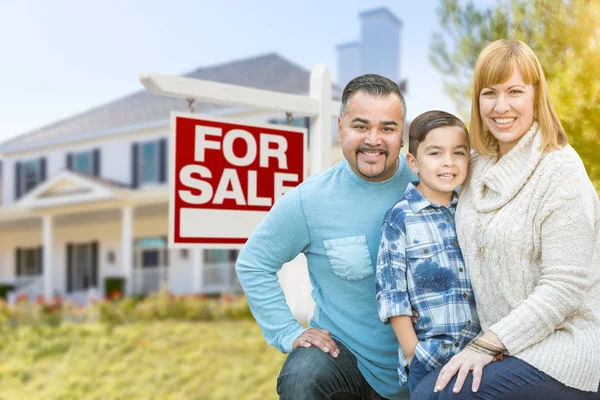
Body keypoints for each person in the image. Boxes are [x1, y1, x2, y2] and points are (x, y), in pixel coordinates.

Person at [412, 39, 600, 399]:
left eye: (514, 91)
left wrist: (486, 346)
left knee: (444, 397)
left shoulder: (560, 171)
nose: (501, 107)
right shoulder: (477, 164)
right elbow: (428, 181)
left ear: (535, 95)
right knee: (423, 390)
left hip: (564, 347)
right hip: (503, 345)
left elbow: (564, 287)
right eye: (489, 93)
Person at [236, 74, 417, 400]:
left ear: (402, 134)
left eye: (387, 128)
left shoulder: (431, 182)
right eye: (361, 126)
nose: (373, 139)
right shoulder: (310, 201)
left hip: (427, 362)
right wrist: (287, 331)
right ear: (340, 128)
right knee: (303, 375)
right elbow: (253, 263)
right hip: (348, 362)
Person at [375, 110, 481, 396]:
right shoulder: (401, 219)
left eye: (458, 153)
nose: (448, 162)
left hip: (479, 355)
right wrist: (414, 355)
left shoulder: (471, 211)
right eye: (435, 153)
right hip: (431, 359)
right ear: (413, 162)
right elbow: (392, 296)